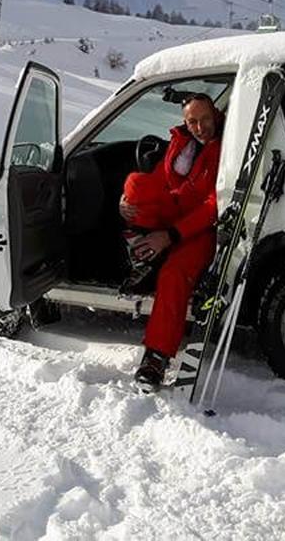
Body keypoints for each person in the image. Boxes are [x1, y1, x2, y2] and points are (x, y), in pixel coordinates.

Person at [119, 93, 223, 389]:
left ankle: (156, 358)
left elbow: (213, 204)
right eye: (193, 121)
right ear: (185, 121)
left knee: (174, 274)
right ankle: (143, 253)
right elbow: (158, 181)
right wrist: (123, 202)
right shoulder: (182, 141)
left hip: (202, 227)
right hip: (174, 212)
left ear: (215, 114)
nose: (200, 127)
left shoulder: (227, 145)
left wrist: (171, 235)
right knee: (136, 182)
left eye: (204, 119)